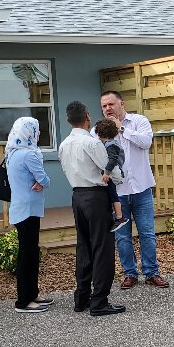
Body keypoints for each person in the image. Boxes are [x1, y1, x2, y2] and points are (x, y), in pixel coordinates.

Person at [59, 101, 125, 317]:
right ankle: (99, 301)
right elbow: (111, 169)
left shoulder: (64, 144)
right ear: (87, 116)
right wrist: (119, 177)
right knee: (102, 249)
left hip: (77, 196)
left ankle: (82, 298)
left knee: (84, 247)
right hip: (96, 196)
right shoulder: (91, 143)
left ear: (69, 120)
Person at [99, 90, 168, 290]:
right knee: (122, 236)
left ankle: (151, 272)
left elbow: (146, 142)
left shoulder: (139, 121)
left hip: (142, 189)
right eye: (104, 106)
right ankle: (129, 274)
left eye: (111, 104)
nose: (108, 109)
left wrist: (121, 130)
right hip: (118, 193)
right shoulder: (100, 130)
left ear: (122, 104)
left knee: (147, 233)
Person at [5, 117, 51, 313]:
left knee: (30, 253)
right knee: (27, 255)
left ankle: (32, 294)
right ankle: (23, 301)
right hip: (28, 211)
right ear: (28, 132)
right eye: (36, 130)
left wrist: (40, 181)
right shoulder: (28, 155)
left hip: (21, 209)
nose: (38, 134)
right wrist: (42, 181)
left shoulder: (13, 153)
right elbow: (45, 179)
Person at [93, 118, 130, 233]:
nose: (98, 137)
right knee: (111, 193)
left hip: (114, 173)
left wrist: (106, 173)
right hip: (114, 172)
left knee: (113, 195)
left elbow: (112, 160)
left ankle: (120, 217)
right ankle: (116, 213)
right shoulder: (111, 143)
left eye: (99, 134)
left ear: (102, 134)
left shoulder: (111, 145)